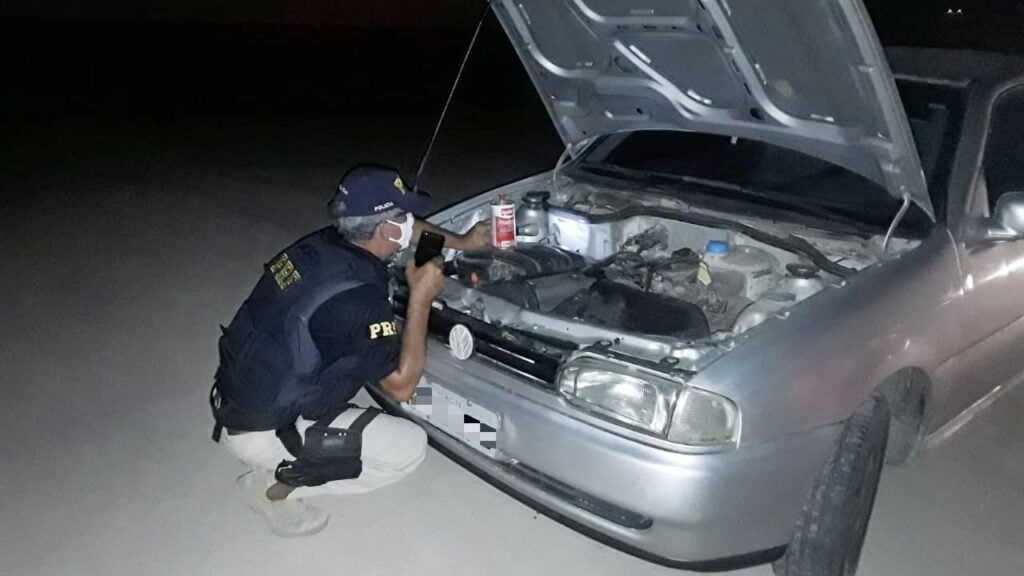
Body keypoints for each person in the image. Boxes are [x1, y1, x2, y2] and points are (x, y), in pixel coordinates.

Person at [210, 163, 490, 537]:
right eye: (403, 217)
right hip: (265, 428)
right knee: (408, 447)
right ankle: (274, 485)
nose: (411, 224)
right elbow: (402, 386)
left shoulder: (325, 243)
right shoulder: (356, 300)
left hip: (243, 388)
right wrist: (421, 297)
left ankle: (466, 426)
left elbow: (409, 232)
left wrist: (464, 242)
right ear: (384, 229)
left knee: (377, 359)